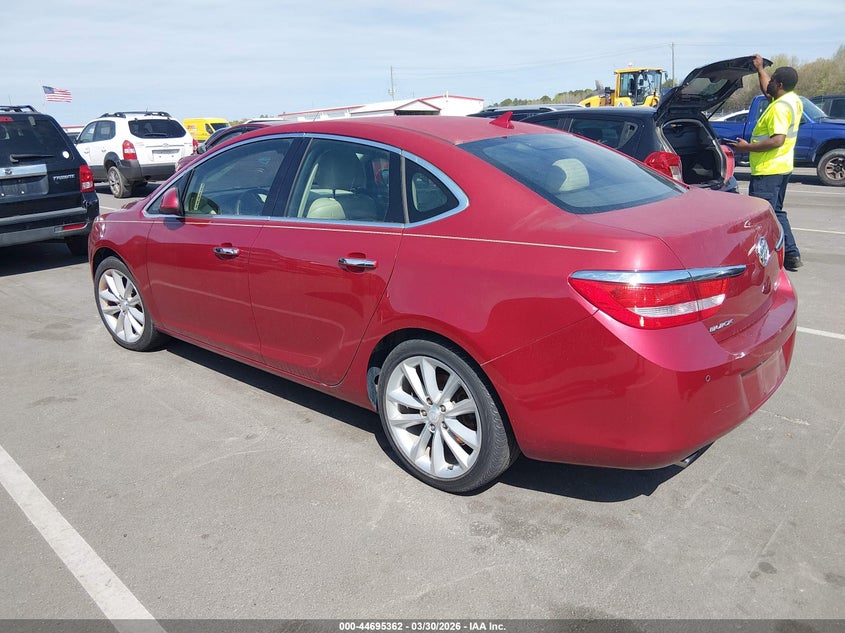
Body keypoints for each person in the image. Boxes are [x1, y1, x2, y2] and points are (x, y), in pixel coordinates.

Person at [730, 55, 804, 271]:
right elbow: (767, 90)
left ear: (779, 84)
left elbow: (777, 139)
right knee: (776, 212)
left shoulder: (780, 108)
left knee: (762, 216)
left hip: (769, 169)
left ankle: (768, 258)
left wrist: (746, 148)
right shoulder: (792, 100)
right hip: (782, 167)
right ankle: (791, 254)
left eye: (772, 80)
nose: (768, 82)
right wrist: (760, 69)